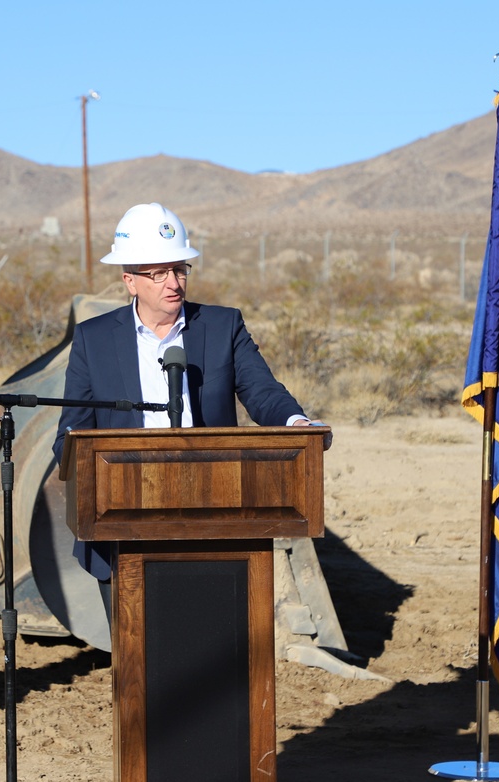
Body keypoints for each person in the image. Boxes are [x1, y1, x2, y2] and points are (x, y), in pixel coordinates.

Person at [53, 202, 331, 616]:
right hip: (122, 522)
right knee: (139, 669)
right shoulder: (94, 339)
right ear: (130, 281)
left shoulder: (222, 326)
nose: (174, 282)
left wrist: (296, 422)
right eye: (159, 272)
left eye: (180, 269)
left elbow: (262, 391)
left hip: (215, 514)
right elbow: (70, 437)